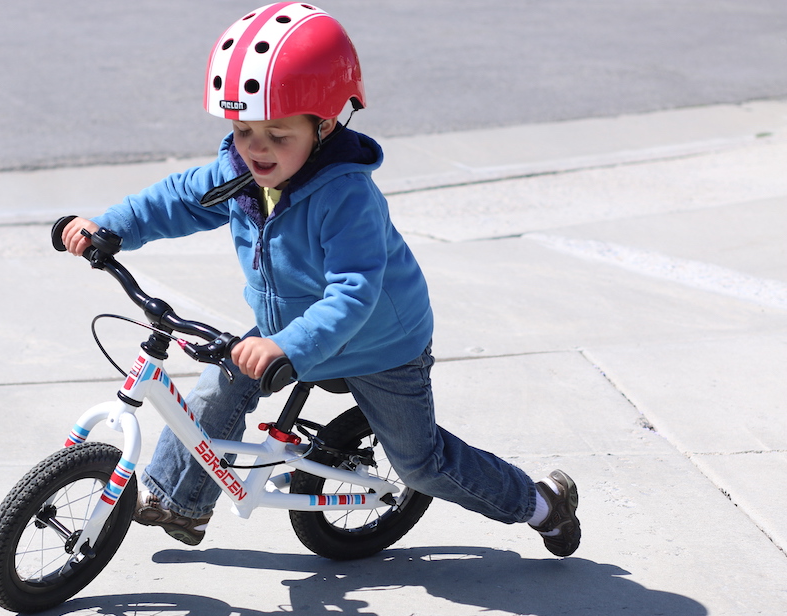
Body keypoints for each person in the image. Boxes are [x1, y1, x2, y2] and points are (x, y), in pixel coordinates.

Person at [61, 2, 580, 557]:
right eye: (243, 130)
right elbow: (177, 200)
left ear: (324, 125)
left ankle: (540, 503)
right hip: (286, 330)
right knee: (217, 386)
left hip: (381, 344)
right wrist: (107, 227)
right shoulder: (240, 174)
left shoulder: (346, 196)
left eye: (278, 135)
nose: (257, 148)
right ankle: (178, 503)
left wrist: (286, 344)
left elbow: (355, 290)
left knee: (421, 466)